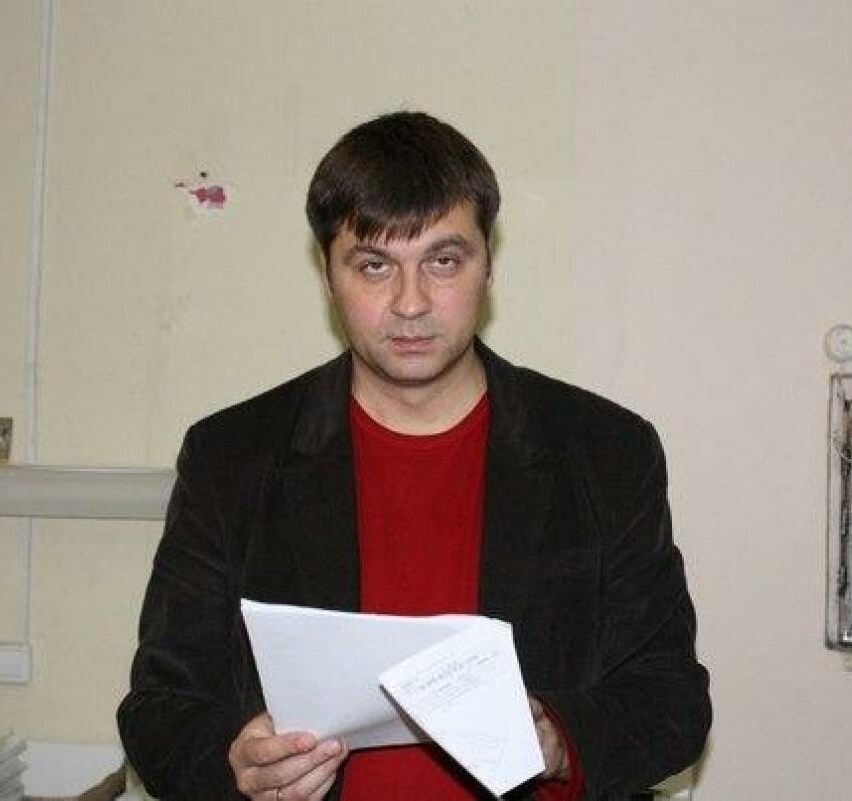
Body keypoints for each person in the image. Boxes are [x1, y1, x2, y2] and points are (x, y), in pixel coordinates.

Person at [117, 111, 710, 800]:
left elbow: (670, 698)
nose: (410, 302)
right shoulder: (232, 458)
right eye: (374, 265)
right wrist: (236, 760)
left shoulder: (606, 451)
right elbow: (159, 709)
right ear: (328, 274)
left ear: (488, 265)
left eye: (443, 261)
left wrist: (558, 738)